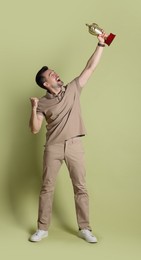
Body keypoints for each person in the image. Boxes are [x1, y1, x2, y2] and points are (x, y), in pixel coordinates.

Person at [29, 32, 107, 243]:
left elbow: (90, 68)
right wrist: (34, 107)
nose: (55, 75)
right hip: (52, 148)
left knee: (80, 187)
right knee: (47, 187)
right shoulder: (43, 104)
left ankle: (85, 228)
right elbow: (35, 129)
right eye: (51, 75)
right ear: (45, 84)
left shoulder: (73, 89)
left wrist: (101, 44)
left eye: (54, 72)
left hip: (74, 145)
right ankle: (42, 228)